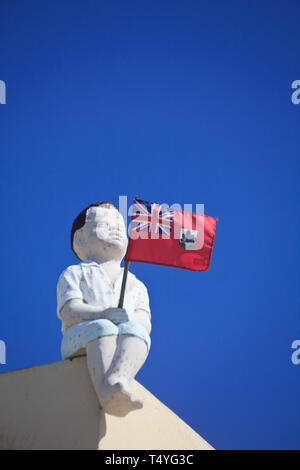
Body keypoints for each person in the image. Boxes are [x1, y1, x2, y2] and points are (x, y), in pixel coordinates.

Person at [56, 201, 152, 417]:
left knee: (138, 333)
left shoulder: (135, 284)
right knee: (102, 326)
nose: (116, 228)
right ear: (80, 239)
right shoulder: (74, 273)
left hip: (121, 334)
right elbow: (70, 310)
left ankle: (118, 380)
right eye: (105, 224)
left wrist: (130, 322)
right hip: (80, 336)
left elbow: (144, 319)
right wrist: (102, 313)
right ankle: (105, 390)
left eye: (119, 224)